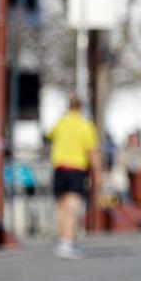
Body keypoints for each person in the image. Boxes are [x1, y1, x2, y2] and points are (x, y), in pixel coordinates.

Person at [49, 94, 102, 259]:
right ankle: (68, 241)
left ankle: (62, 239)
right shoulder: (85, 126)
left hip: (59, 168)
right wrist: (98, 174)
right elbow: (92, 152)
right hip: (76, 169)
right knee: (73, 206)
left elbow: (50, 137)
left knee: (61, 206)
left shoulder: (60, 123)